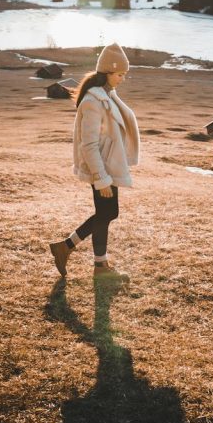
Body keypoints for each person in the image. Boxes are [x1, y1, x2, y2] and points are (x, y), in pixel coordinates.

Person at [49, 43, 140, 281]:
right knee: (108, 212)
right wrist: (101, 178)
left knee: (106, 213)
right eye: (120, 74)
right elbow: (87, 144)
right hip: (100, 168)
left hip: (107, 166)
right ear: (107, 71)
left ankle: (74, 252)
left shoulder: (108, 95)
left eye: (124, 75)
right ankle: (80, 255)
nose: (122, 79)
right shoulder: (93, 101)